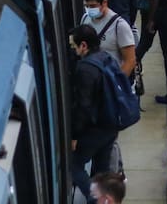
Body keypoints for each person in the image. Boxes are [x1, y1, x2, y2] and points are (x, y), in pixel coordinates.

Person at [70, 25, 119, 203]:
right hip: (111, 124)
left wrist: (74, 135)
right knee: (101, 171)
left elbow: (83, 106)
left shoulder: (85, 68)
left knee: (73, 165)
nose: (74, 51)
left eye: (74, 46)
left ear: (83, 45)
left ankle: (95, 198)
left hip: (95, 128)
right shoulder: (106, 58)